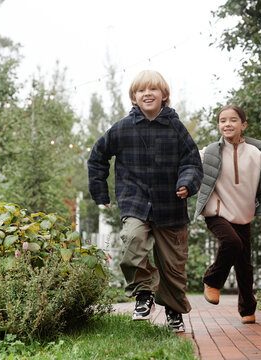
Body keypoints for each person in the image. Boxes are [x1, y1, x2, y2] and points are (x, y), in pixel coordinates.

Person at [87, 70, 203, 333]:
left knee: (173, 265)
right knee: (133, 242)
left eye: (153, 89)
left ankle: (173, 310)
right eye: (141, 90)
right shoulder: (122, 128)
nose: (147, 93)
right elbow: (97, 157)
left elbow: (192, 161)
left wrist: (186, 182)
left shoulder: (176, 128)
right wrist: (100, 193)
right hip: (135, 201)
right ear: (134, 98)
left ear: (164, 96)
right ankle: (143, 295)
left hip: (171, 204)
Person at [194, 105, 261, 324]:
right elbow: (187, 168)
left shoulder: (257, 154)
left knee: (244, 265)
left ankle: (247, 310)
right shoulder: (209, 153)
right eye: (222, 120)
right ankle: (212, 281)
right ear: (218, 125)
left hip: (243, 213)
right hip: (217, 212)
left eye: (232, 120)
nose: (227, 124)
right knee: (232, 243)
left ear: (243, 125)